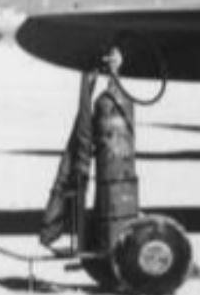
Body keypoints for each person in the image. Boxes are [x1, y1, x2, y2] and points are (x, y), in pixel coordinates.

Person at [39, 45, 139, 261]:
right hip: (113, 182)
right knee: (80, 165)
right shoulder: (106, 102)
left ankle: (92, 237)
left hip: (119, 182)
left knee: (83, 165)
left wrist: (113, 72)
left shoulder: (115, 101)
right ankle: (92, 237)